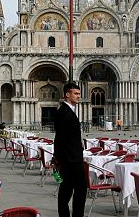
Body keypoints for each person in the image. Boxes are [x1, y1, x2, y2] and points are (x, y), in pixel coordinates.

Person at [53, 82, 86, 217]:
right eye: (76, 93)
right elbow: (61, 138)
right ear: (67, 94)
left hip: (69, 159)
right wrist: (61, 159)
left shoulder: (66, 111)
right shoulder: (65, 113)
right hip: (72, 160)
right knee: (79, 190)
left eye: (79, 93)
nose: (78, 96)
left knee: (66, 191)